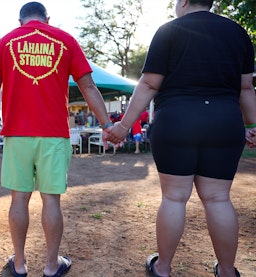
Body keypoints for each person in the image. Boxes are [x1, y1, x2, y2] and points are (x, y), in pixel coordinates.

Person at [106, 1, 256, 276]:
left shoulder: (169, 31)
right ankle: (226, 271)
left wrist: (124, 125)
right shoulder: (238, 32)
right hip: (224, 121)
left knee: (175, 197)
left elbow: (150, 83)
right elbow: (246, 87)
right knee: (218, 199)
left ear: (184, 1)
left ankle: (162, 268)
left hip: (176, 120)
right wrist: (253, 125)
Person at [0, 3, 114, 276]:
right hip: (54, 133)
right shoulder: (65, 40)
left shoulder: (4, 43)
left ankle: (20, 264)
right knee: (51, 201)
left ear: (20, 20)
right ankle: (51, 266)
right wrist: (107, 124)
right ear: (47, 19)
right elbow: (88, 86)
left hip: (16, 134)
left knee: (19, 199)